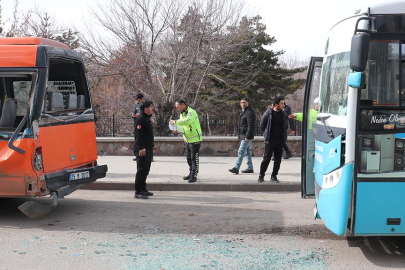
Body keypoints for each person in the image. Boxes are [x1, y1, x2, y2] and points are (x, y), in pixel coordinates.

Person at [170, 99, 202, 183]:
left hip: (195, 139)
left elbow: (187, 121)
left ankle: (194, 175)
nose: (177, 109)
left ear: (183, 105)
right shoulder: (182, 114)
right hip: (187, 139)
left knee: (194, 158)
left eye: (178, 107)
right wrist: (177, 129)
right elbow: (184, 126)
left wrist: (176, 122)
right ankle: (191, 173)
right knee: (188, 158)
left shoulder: (192, 112)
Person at [258, 96, 288, 183]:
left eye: (284, 103)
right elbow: (262, 125)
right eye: (282, 103)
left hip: (280, 140)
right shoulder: (268, 113)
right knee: (266, 158)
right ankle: (261, 175)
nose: (283, 105)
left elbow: (286, 125)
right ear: (276, 104)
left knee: (278, 159)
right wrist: (266, 134)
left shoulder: (283, 114)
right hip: (270, 140)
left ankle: (274, 176)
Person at [133, 100, 157, 199]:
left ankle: (143, 189)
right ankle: (138, 191)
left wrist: (152, 145)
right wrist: (141, 148)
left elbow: (148, 135)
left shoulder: (147, 118)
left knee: (146, 170)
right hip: (142, 150)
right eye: (150, 107)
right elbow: (137, 135)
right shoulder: (140, 119)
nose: (152, 109)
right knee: (141, 170)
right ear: (145, 109)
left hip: (148, 148)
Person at [229, 97, 256, 174]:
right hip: (243, 135)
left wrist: (247, 136)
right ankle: (250, 168)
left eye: (244, 102)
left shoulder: (249, 112)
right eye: (241, 102)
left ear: (248, 103)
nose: (243, 104)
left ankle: (236, 168)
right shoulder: (244, 112)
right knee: (246, 152)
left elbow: (251, 126)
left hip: (247, 135)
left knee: (241, 151)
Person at [132, 93, 144, 161]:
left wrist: (139, 114)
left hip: (142, 124)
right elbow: (134, 112)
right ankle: (137, 154)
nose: (138, 101)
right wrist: (133, 115)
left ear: (142, 99)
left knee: (142, 139)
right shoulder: (137, 105)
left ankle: (148, 155)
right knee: (137, 138)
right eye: (137, 100)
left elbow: (146, 113)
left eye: (139, 100)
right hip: (137, 123)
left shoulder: (145, 105)